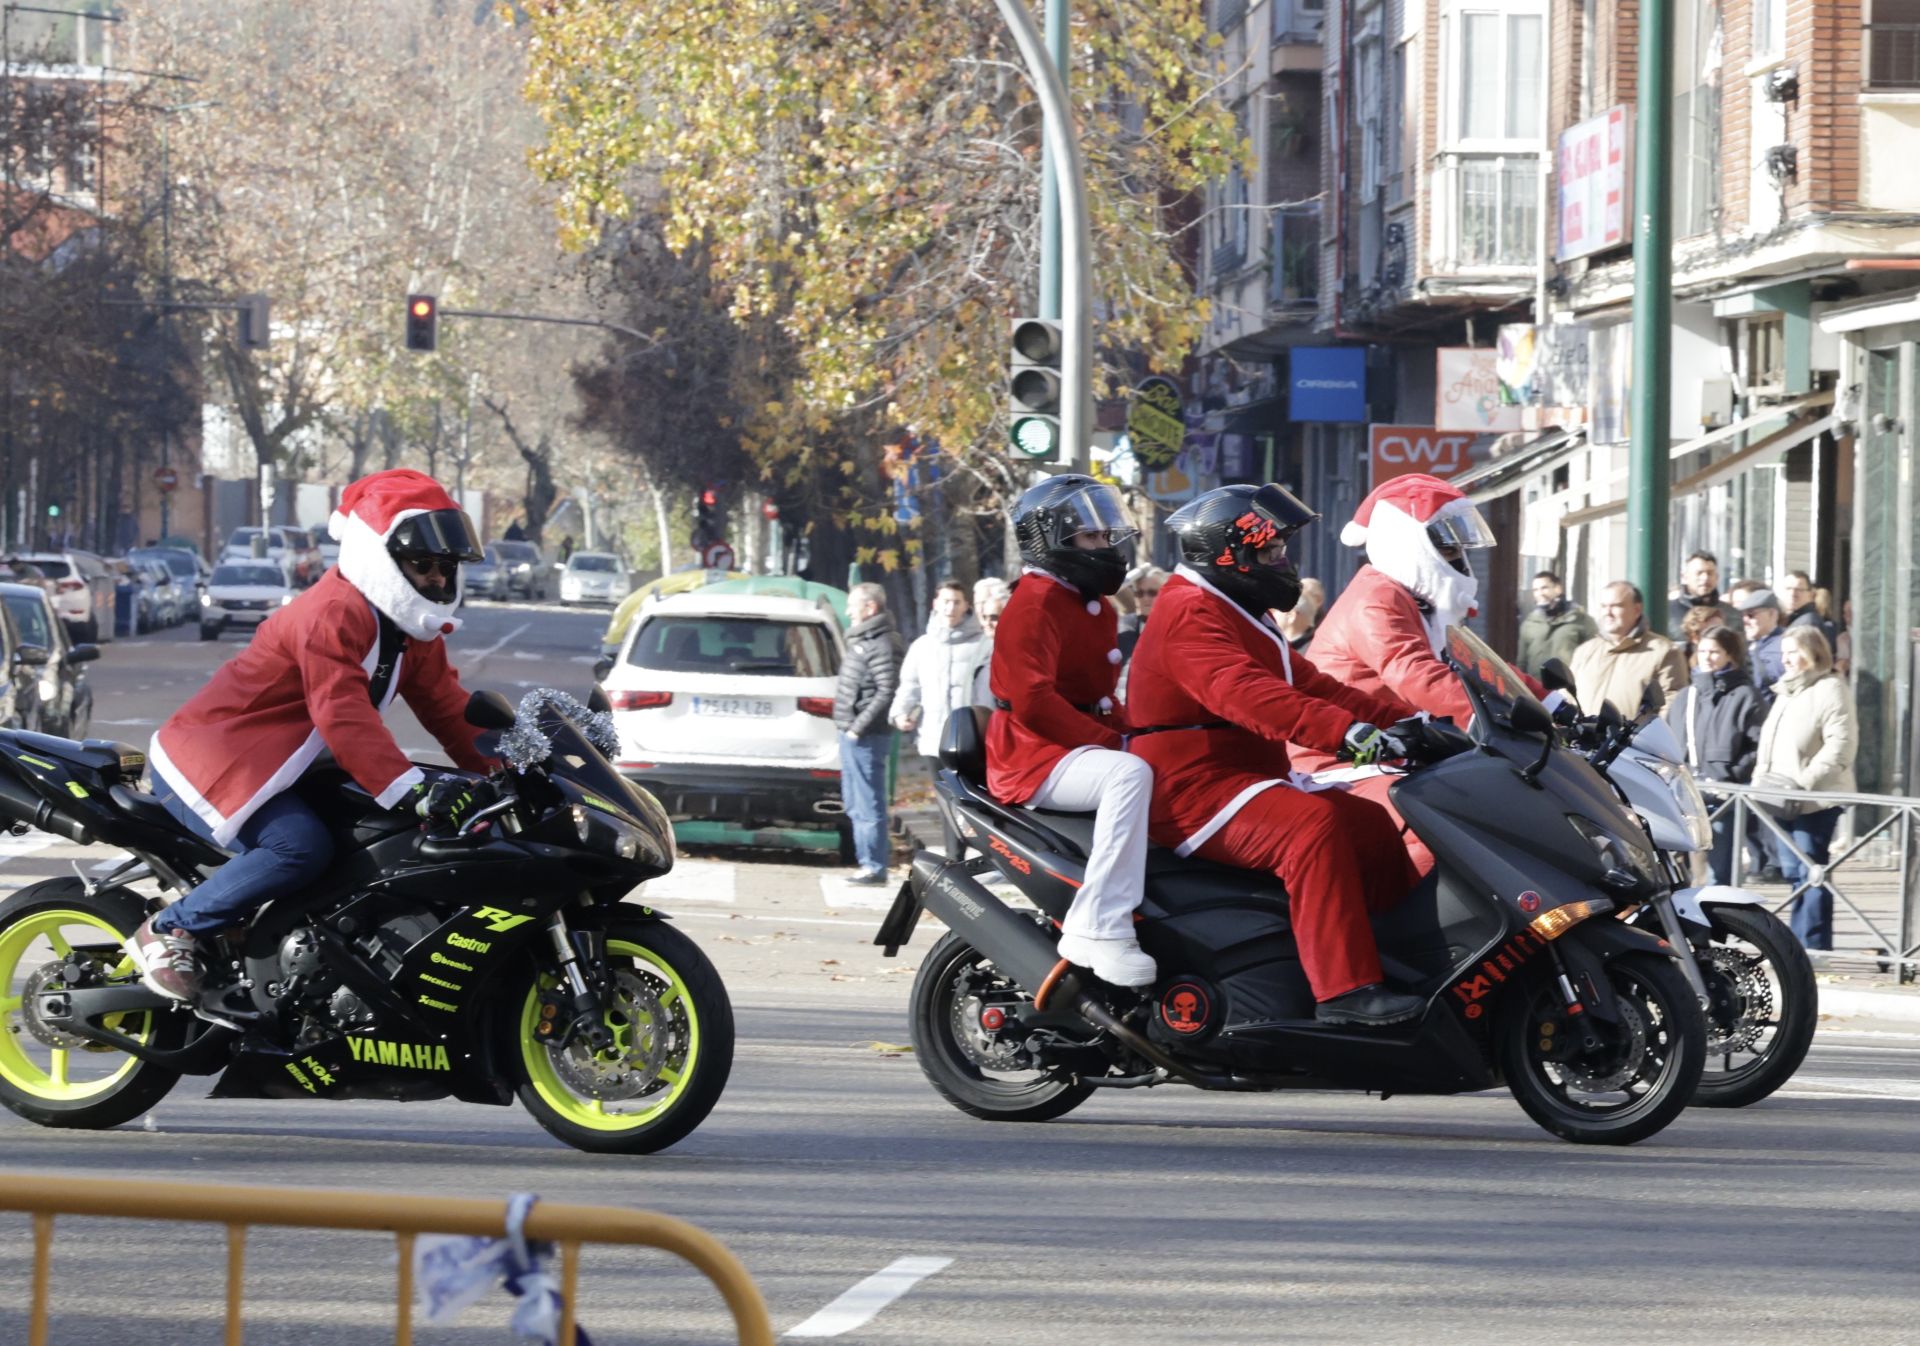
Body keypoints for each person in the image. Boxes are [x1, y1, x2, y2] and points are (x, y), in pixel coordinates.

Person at [127, 469, 497, 1003]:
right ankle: (172, 929)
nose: (439, 580)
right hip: (215, 762)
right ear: (381, 555)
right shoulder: (333, 613)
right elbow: (342, 714)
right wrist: (410, 787)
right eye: (424, 565)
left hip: (286, 768)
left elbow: (449, 709)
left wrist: (516, 765)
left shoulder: (410, 628)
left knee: (384, 834)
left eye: (446, 568)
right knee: (299, 848)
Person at [1127, 484, 1424, 1027]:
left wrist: (1413, 722)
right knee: (1312, 830)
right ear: (1229, 556)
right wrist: (1350, 735)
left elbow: (1315, 685)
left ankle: (1404, 962)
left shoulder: (1235, 607)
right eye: (1270, 552)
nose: (1283, 562)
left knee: (1370, 823)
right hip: (1194, 787)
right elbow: (1248, 695)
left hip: (1243, 774)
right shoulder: (1188, 612)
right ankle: (1345, 992)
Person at [1301, 472, 1552, 875]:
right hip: (1341, 761)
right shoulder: (1376, 599)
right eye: (1445, 544)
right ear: (1407, 541)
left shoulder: (1417, 601)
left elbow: (1477, 664)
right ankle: (1417, 934)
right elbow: (1416, 674)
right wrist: (1499, 717)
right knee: (1439, 822)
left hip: (1397, 751)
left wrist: (1546, 699)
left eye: (1457, 546)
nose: (1456, 556)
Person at [987, 475, 1156, 986]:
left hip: (1072, 742)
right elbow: (1034, 704)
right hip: (1032, 754)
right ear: (1052, 540)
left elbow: (1102, 696)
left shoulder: (1094, 603)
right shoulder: (1035, 602)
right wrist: (1114, 742)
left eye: (1106, 536)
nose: (1105, 546)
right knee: (1127, 775)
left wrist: (1147, 733)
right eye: (1091, 537)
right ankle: (1098, 925)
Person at [1753, 627, 1857, 951]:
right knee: (1793, 873)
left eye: (1793, 651)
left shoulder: (1830, 688)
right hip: (1781, 797)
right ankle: (1798, 947)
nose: (1786, 659)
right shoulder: (1786, 691)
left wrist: (1806, 782)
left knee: (1811, 870)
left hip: (1813, 799)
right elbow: (1769, 745)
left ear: (1813, 653)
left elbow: (1841, 743)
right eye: (1783, 653)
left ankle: (1811, 947)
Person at [1665, 624, 1766, 886]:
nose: (1708, 657)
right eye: (1703, 650)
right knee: (1685, 872)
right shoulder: (1686, 696)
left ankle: (1724, 922)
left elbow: (1757, 746)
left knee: (1720, 872)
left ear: (1730, 655)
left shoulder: (1745, 694)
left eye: (1715, 651)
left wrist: (1732, 774)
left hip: (1724, 794)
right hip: (1686, 794)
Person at [833, 582, 903, 885]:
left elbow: (886, 691)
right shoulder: (866, 639)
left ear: (870, 607)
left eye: (853, 605)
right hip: (852, 733)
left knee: (868, 802)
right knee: (854, 801)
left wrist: (858, 727)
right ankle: (867, 862)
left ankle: (874, 866)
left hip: (866, 735)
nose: (848, 611)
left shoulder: (882, 643)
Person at [890, 579, 987, 764]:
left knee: (967, 793)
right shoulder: (922, 646)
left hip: (972, 740)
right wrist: (900, 713)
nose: (950, 608)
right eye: (946, 601)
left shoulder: (983, 645)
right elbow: (909, 687)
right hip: (933, 739)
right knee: (941, 792)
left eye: (957, 602)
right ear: (935, 604)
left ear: (966, 606)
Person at [1569, 581, 1689, 717]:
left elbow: (1671, 704)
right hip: (1585, 737)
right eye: (1603, 606)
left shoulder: (1664, 651)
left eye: (1616, 606)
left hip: (1637, 737)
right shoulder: (1584, 651)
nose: (1608, 613)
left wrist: (1644, 736)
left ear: (1637, 610)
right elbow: (1567, 696)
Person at [1515, 570, 1599, 677]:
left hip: (1569, 688)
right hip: (1537, 689)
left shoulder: (1581, 620)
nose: (1540, 593)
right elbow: (1522, 663)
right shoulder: (1529, 624)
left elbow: (1594, 658)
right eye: (1536, 590)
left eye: (1544, 588)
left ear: (1558, 589)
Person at [1668, 549, 1738, 638]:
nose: (1705, 578)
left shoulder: (1732, 614)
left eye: (1710, 573)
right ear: (1684, 577)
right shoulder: (1667, 613)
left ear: (1717, 578)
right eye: (1699, 573)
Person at [1733, 585, 1787, 691]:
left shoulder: (1783, 645)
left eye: (1750, 615)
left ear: (1772, 614)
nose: (1745, 621)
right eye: (1742, 616)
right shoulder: (1747, 643)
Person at [970, 578, 1010, 706]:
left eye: (984, 602)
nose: (980, 610)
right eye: (977, 603)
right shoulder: (982, 642)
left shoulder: (1017, 652)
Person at [1116, 565, 1167, 662]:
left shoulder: (1175, 625)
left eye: (1152, 593)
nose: (1145, 598)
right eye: (1140, 593)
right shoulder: (1127, 624)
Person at [1780, 570, 1839, 648]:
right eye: (1788, 589)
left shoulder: (1809, 622)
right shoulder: (1788, 618)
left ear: (1810, 594)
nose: (1792, 594)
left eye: (1799, 590)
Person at [1274, 576, 1324, 652]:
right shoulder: (1274, 644)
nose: (1273, 613)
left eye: (1277, 609)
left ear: (1291, 616)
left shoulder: (1311, 651)